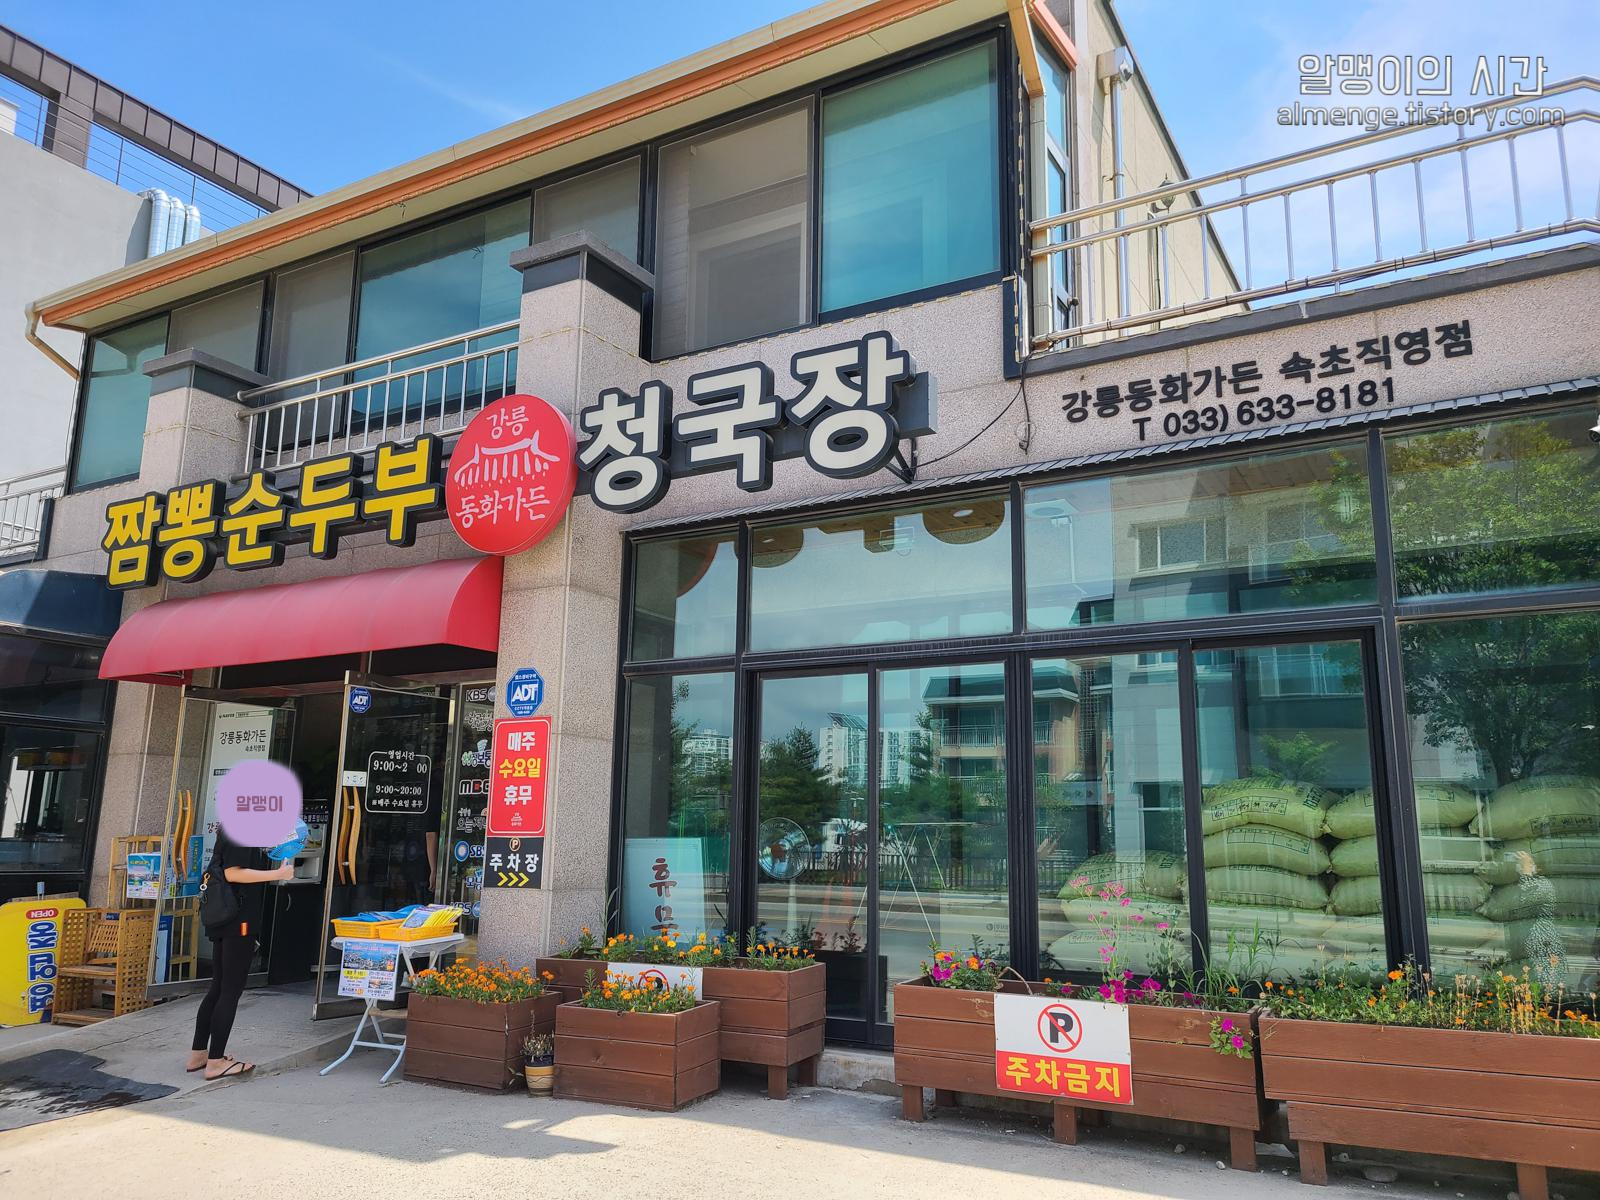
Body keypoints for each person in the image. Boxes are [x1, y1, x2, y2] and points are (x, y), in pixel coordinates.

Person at [186, 829, 293, 1080]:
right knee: (230, 991)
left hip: (225, 916)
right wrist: (277, 874)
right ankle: (215, 1062)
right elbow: (233, 872)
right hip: (238, 920)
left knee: (218, 988)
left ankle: (199, 1054)